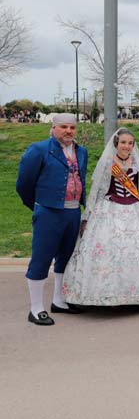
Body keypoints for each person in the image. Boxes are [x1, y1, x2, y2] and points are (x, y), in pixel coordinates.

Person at [63, 128, 139, 306]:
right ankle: (104, 293)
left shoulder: (138, 163)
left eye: (130, 143)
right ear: (116, 144)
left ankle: (136, 294)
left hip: (134, 210)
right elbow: (96, 192)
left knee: (136, 250)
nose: (127, 146)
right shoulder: (107, 163)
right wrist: (87, 216)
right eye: (123, 142)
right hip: (109, 210)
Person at [16, 113, 87, 325]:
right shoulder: (39, 149)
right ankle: (36, 308)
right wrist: (40, 206)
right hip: (49, 211)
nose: (68, 131)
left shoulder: (81, 151)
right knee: (42, 258)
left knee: (66, 257)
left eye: (72, 127)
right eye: (63, 127)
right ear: (54, 128)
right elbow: (24, 184)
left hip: (73, 212)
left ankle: (59, 301)